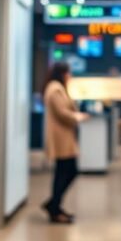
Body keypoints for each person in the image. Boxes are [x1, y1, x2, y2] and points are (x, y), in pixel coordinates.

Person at [42, 62, 87, 224]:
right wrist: (77, 117)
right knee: (67, 171)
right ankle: (54, 207)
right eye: (68, 73)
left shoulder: (58, 89)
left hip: (64, 137)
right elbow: (62, 112)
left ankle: (54, 205)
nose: (70, 76)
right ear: (62, 74)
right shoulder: (55, 90)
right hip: (60, 138)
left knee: (63, 172)